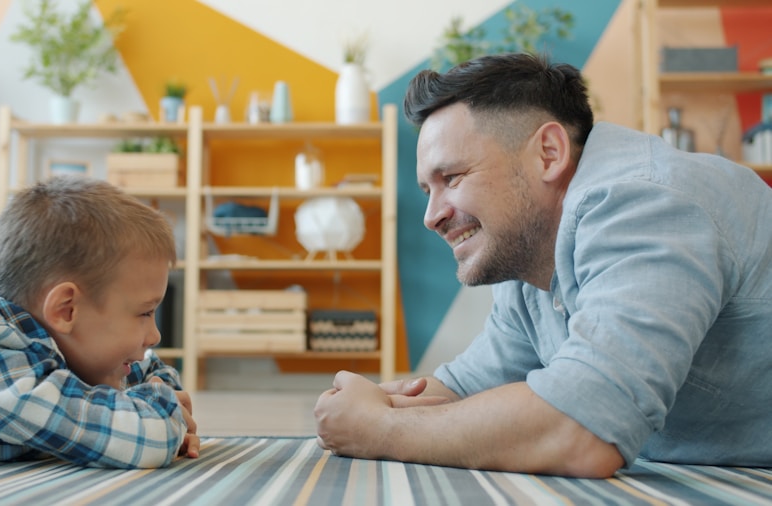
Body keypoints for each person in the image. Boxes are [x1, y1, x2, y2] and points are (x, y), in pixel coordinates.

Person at [314, 52, 772, 478]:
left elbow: (584, 432)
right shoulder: (533, 259)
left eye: (451, 178)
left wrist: (378, 429)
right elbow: (462, 391)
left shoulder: (644, 204)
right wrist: (368, 403)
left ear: (549, 153)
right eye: (426, 190)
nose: (431, 216)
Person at [0, 176, 199, 468]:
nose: (155, 336)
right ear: (66, 310)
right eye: (145, 313)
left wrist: (162, 399)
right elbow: (146, 440)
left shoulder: (58, 340)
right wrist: (163, 413)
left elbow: (153, 373)